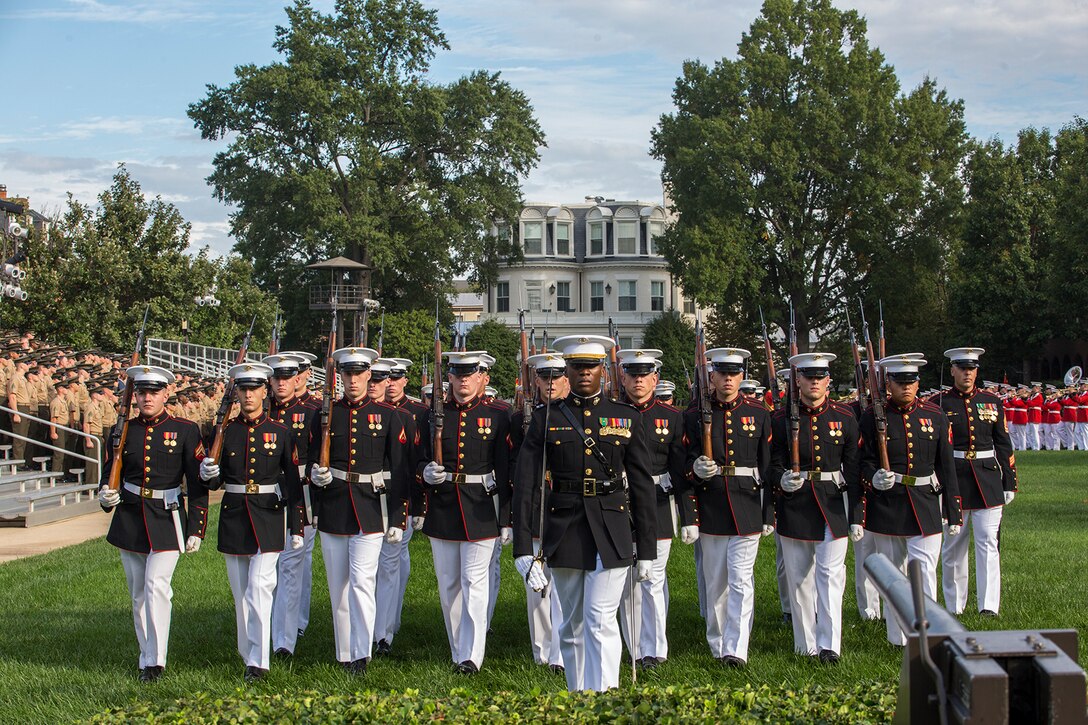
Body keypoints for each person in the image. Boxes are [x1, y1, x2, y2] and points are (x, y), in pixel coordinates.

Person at [512, 335, 655, 692]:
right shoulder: (547, 418)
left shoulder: (625, 417)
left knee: (600, 617)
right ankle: (579, 695)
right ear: (568, 371)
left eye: (591, 366)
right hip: (565, 526)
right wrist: (522, 549)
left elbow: (641, 486)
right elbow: (527, 484)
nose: (585, 373)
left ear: (603, 370)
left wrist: (647, 549)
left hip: (612, 526)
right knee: (572, 622)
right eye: (577, 367)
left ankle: (605, 695)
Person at [95, 365, 208, 682]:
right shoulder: (123, 430)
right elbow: (110, 472)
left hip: (167, 516)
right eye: (142, 392)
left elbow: (196, 482)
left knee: (157, 587)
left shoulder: (185, 430)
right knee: (138, 594)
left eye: (153, 392)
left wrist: (196, 526)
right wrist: (105, 494)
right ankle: (146, 655)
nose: (146, 397)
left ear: (166, 393)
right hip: (130, 516)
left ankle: (156, 660)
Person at [308, 347, 414, 674]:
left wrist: (398, 516)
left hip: (370, 508)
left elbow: (402, 469)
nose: (353, 380)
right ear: (340, 376)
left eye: (359, 374)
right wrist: (316, 476)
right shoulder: (325, 414)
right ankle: (344, 651)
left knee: (363, 583)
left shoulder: (387, 414)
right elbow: (314, 458)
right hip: (334, 507)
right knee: (338, 586)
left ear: (370, 374)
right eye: (347, 374)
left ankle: (360, 653)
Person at [197, 362, 304, 682]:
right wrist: (208, 476)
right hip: (234, 517)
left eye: (254, 388)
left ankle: (259, 660)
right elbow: (215, 484)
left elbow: (294, 484)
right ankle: (248, 652)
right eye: (242, 389)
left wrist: (297, 526)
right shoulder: (225, 431)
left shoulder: (280, 433)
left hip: (269, 516)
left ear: (264, 390)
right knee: (241, 593)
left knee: (260, 587)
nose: (248, 395)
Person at [415, 350, 511, 675]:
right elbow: (417, 457)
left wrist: (506, 516)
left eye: (470, 374)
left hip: (481, 507)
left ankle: (472, 655)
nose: (464, 380)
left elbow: (505, 469)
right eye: (458, 374)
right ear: (451, 377)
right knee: (449, 585)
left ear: (480, 377)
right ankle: (458, 648)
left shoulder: (498, 415)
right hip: (443, 507)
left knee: (474, 581)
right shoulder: (431, 415)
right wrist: (425, 472)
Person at [681, 347, 773, 667]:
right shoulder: (693, 416)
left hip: (747, 505)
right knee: (715, 582)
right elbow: (685, 464)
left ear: (742, 376)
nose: (729, 379)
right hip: (712, 507)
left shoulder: (759, 413)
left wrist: (768, 512)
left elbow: (767, 467)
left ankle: (736, 648)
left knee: (741, 580)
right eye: (722, 373)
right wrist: (696, 470)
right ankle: (718, 641)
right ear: (712, 377)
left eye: (734, 374)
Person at [859, 355, 960, 645]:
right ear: (888, 383)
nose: (906, 387)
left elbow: (946, 466)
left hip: (925, 500)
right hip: (888, 503)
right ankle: (898, 637)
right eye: (900, 382)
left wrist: (953, 509)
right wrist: (873, 478)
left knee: (925, 572)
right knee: (893, 575)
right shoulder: (872, 416)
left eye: (911, 381)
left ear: (918, 383)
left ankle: (928, 635)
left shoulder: (935, 415)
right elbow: (862, 462)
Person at [769, 352, 861, 663]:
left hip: (833, 504)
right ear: (798, 381)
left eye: (820, 377)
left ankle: (830, 644)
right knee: (798, 578)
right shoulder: (780, 420)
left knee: (831, 575)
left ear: (829, 381)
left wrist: (857, 514)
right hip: (796, 503)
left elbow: (855, 470)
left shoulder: (845, 417)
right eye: (809, 377)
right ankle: (804, 643)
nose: (815, 382)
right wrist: (781, 480)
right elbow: (770, 465)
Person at [615, 348, 685, 670]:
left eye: (645, 375)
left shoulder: (671, 417)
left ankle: (655, 650)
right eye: (633, 374)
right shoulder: (611, 415)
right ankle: (636, 649)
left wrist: (688, 515)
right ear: (623, 377)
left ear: (655, 379)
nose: (638, 380)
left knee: (653, 580)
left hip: (657, 505)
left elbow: (680, 468)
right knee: (629, 583)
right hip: (620, 505)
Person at [938, 348, 1018, 616]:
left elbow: (1003, 443)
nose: (967, 373)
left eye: (971, 369)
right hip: (955, 477)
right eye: (962, 368)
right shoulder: (940, 403)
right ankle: (954, 606)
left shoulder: (992, 401)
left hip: (987, 477)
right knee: (953, 546)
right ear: (952, 370)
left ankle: (988, 606)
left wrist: (1009, 481)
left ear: (977, 371)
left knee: (988, 544)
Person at [509, 352, 568, 673]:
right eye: (544, 377)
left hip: (565, 509)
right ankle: (542, 651)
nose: (550, 383)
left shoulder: (574, 415)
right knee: (537, 590)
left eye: (556, 377)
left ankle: (560, 653)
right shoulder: (519, 421)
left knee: (564, 588)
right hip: (535, 510)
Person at [265, 353, 321, 658]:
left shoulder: (311, 410)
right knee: (272, 564)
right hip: (266, 493)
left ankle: (286, 637)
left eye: (291, 375)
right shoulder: (263, 408)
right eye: (278, 377)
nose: (285, 382)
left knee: (293, 562)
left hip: (300, 491)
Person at [374, 357, 426, 655]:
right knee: (369, 570)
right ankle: (374, 627)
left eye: (387, 379)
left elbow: (412, 466)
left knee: (390, 566)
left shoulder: (408, 416)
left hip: (396, 498)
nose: (382, 385)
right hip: (364, 499)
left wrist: (416, 507)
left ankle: (384, 631)